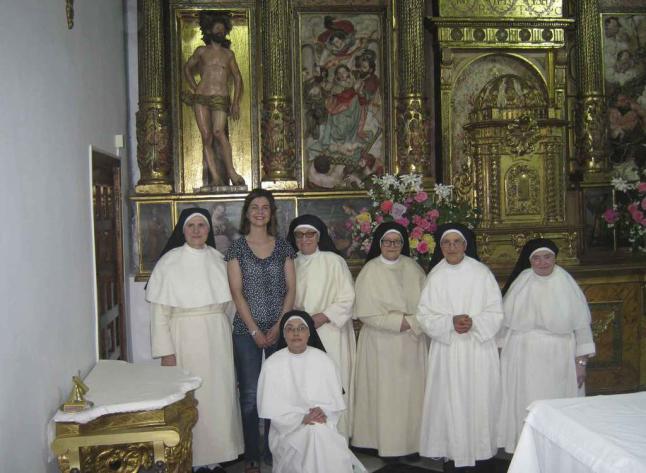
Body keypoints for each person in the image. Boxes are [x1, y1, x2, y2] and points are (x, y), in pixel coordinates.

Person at [146, 207, 243, 473]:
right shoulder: (169, 262)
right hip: (183, 338)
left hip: (217, 337)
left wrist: (223, 332)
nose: (197, 231)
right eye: (191, 226)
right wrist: (166, 352)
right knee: (191, 400)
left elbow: (230, 306)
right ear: (183, 230)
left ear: (209, 230)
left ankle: (216, 458)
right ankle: (192, 458)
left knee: (218, 398)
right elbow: (159, 314)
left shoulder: (219, 259)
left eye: (202, 226)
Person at [417, 223, 503, 473]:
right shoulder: (435, 276)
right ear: (440, 246)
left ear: (465, 245)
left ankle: (482, 457)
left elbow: (496, 311)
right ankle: (453, 457)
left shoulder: (481, 273)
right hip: (448, 350)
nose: (452, 247)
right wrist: (449, 322)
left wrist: (474, 323)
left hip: (477, 349)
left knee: (480, 402)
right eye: (447, 242)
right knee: (449, 404)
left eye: (457, 242)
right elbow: (424, 315)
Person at [497, 238, 596, 454]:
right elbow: (505, 326)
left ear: (555, 258)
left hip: (559, 356)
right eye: (537, 258)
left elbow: (581, 326)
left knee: (556, 402)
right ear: (529, 260)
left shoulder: (566, 282)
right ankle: (527, 449)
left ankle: (557, 448)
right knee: (526, 403)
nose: (542, 263)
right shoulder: (522, 282)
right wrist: (502, 355)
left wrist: (581, 363)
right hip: (523, 357)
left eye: (547, 257)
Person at [225, 189, 296, 473]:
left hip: (280, 329)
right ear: (247, 212)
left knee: (276, 392)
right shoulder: (236, 248)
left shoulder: (283, 248)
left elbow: (291, 289)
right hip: (246, 331)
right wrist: (255, 330)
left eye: (265, 207)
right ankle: (252, 454)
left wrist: (279, 325)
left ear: (271, 213)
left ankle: (272, 449)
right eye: (254, 207)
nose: (260, 212)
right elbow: (236, 292)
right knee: (250, 394)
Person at [351, 222, 428, 458]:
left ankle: (410, 443)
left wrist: (411, 322)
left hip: (410, 341)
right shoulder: (370, 270)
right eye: (387, 241)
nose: (392, 245)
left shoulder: (413, 268)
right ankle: (377, 442)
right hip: (379, 343)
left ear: (403, 244)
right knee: (382, 395)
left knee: (409, 397)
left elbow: (429, 306)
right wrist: (398, 322)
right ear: (379, 243)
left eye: (397, 242)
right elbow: (365, 313)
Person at [257, 310, 366, 473]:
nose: (296, 333)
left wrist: (323, 413)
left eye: (301, 328)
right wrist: (301, 419)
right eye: (290, 329)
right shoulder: (272, 365)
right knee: (316, 435)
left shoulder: (324, 360)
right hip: (287, 431)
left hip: (321, 424)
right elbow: (274, 414)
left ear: (309, 333)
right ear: (284, 335)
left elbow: (334, 405)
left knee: (317, 431)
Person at [286, 214, 356, 438]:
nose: (304, 239)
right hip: (300, 337)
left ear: (319, 236)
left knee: (333, 383)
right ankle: (309, 438)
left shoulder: (334, 261)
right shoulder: (292, 263)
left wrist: (323, 316)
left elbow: (347, 297)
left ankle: (337, 437)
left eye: (310, 234)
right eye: (299, 235)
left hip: (331, 331)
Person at [182, 11, 245, 186]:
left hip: (220, 96)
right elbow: (187, 68)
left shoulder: (228, 54)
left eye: (222, 29)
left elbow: (238, 78)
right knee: (207, 137)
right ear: (209, 31)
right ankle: (215, 177)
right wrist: (195, 88)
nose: (220, 31)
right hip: (201, 96)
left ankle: (231, 172)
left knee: (219, 132)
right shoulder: (201, 51)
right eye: (217, 28)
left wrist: (235, 102)